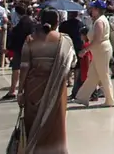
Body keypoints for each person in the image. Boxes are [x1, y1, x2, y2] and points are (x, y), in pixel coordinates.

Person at [15, 9, 75, 154]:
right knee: (55, 125)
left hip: (33, 88)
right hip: (57, 89)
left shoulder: (30, 39)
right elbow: (72, 64)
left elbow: (24, 67)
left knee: (34, 122)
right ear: (58, 22)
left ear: (40, 21)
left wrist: (20, 90)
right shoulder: (64, 40)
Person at [74, 0, 114, 107]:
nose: (91, 10)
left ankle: (110, 100)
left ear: (97, 9)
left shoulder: (99, 22)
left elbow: (97, 39)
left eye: (93, 9)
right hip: (99, 51)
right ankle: (82, 97)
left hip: (101, 50)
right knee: (92, 75)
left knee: (103, 75)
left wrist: (85, 50)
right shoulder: (99, 20)